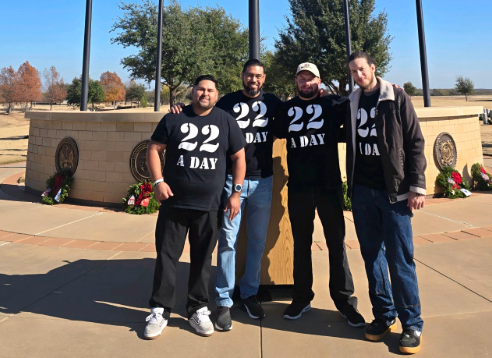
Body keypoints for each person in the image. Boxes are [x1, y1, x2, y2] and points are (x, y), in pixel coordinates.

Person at [169, 58, 282, 327]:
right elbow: (200, 109)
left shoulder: (275, 102)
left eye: (258, 76)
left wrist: (326, 94)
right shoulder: (227, 102)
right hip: (232, 181)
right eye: (249, 75)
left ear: (263, 78)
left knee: (256, 241)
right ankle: (223, 301)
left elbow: (300, 109)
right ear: (242, 76)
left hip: (263, 181)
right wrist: (180, 108)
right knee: (228, 240)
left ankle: (250, 293)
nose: (253, 80)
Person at [143, 75, 246, 340]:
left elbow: (239, 158)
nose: (205, 93)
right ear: (193, 91)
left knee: (202, 259)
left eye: (210, 90)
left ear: (216, 93)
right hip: (174, 202)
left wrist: (235, 193)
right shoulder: (174, 117)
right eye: (201, 89)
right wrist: (158, 181)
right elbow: (154, 149)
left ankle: (198, 308)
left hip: (210, 206)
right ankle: (159, 309)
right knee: (167, 257)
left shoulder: (226, 120)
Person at [343, 51, 426, 354]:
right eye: (353, 71)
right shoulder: (352, 101)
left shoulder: (396, 97)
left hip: (394, 192)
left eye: (361, 69)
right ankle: (383, 314)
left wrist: (417, 186)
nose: (358, 75)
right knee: (371, 257)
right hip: (363, 191)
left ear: (372, 68)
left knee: (400, 259)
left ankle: (412, 323)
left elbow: (415, 141)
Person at [271, 62, 365, 327]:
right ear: (296, 82)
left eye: (310, 79)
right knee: (301, 245)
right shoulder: (286, 109)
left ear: (319, 81)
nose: (305, 83)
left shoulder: (333, 105)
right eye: (301, 79)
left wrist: (390, 90)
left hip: (329, 186)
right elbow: (272, 128)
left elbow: (359, 101)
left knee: (336, 243)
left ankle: (344, 300)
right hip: (299, 187)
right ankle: (301, 298)